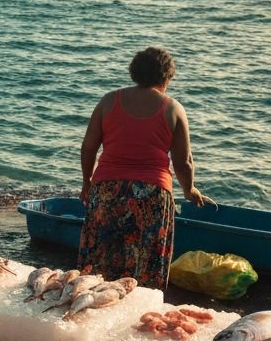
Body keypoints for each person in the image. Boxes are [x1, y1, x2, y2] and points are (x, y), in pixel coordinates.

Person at [78, 46, 209, 289]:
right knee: (146, 267)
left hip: (107, 190)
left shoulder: (109, 101)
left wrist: (87, 184)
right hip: (152, 195)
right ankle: (140, 317)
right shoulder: (173, 108)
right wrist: (190, 190)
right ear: (166, 77)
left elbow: (88, 148)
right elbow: (184, 162)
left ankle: (91, 313)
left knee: (99, 265)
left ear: (134, 72)